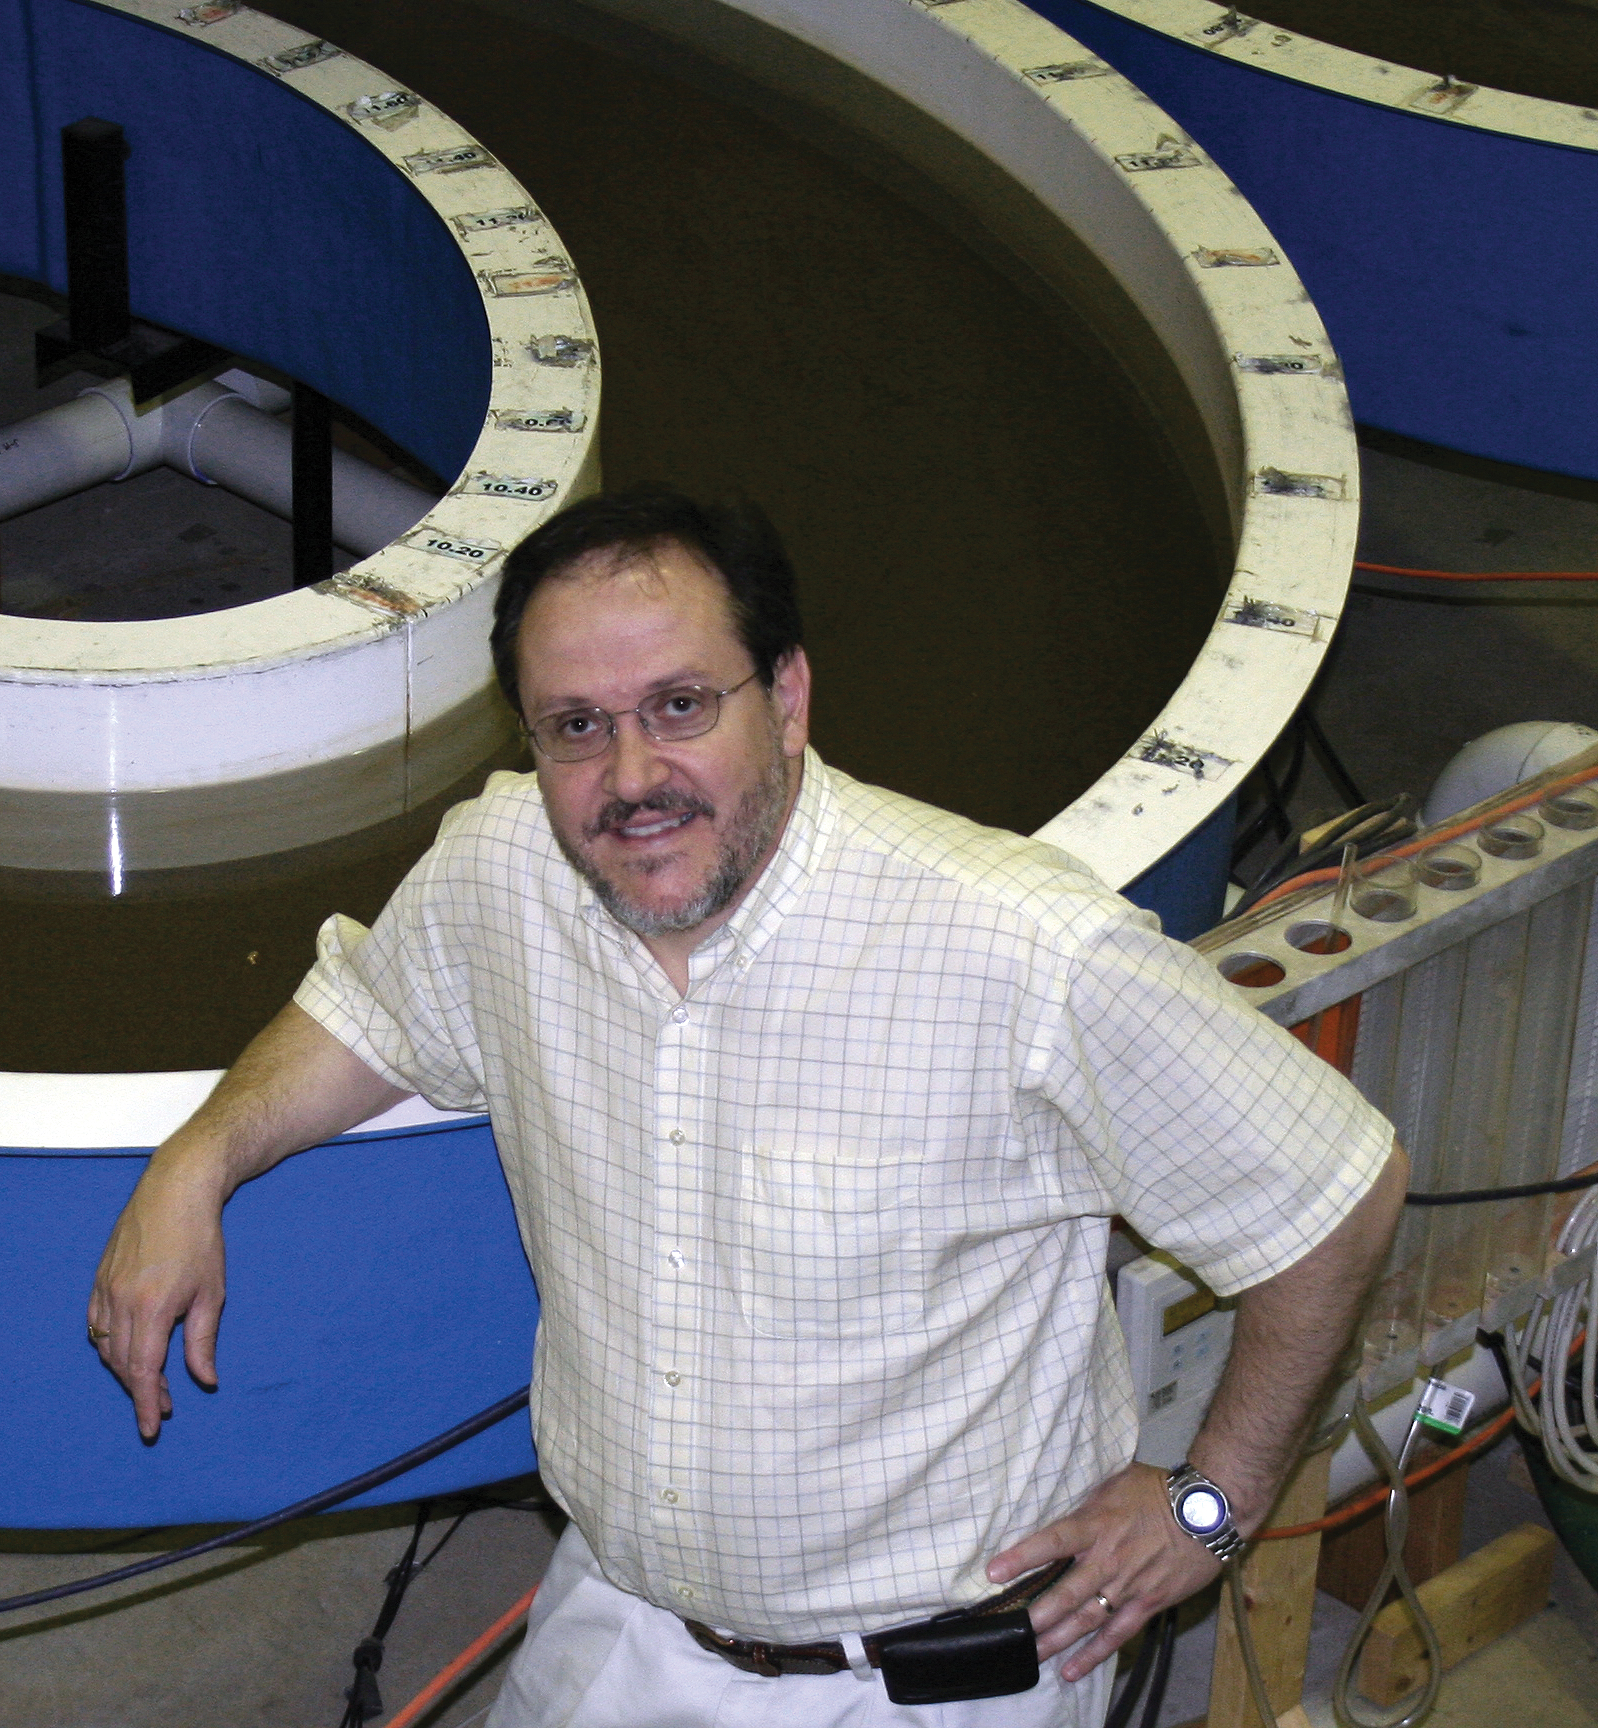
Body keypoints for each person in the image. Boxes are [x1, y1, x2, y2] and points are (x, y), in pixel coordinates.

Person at [89, 489, 1405, 1727]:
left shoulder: (1021, 949)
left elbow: (1335, 1194)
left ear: (786, 699)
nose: (630, 776)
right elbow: (369, 1013)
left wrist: (1208, 1507)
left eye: (678, 706)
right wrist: (197, 1161)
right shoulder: (504, 869)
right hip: (622, 1612)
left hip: (919, 1680)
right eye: (574, 726)